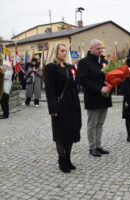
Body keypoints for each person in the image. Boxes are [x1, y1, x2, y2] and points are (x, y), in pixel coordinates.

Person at [44, 43, 82, 173]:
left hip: (72, 103)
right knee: (61, 133)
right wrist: (53, 109)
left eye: (66, 51)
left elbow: (74, 85)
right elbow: (50, 90)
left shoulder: (69, 67)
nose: (65, 53)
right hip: (60, 104)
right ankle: (61, 160)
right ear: (55, 53)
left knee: (71, 132)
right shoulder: (50, 68)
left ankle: (68, 159)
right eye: (62, 51)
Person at [77, 39, 112, 157]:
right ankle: (92, 147)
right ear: (91, 49)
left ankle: (98, 145)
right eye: (98, 48)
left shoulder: (104, 61)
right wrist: (99, 88)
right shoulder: (84, 62)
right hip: (93, 97)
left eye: (101, 48)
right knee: (93, 123)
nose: (100, 50)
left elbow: (109, 76)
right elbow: (83, 80)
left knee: (100, 123)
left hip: (105, 97)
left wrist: (111, 83)